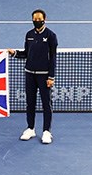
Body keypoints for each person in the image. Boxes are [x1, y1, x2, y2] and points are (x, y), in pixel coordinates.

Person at [7, 8, 58, 144]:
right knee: (30, 103)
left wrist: (51, 77)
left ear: (44, 19)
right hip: (29, 74)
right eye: (34, 19)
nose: (37, 22)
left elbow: (53, 57)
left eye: (39, 19)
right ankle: (30, 128)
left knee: (46, 104)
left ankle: (47, 132)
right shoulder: (29, 34)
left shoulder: (51, 36)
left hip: (44, 76)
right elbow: (26, 53)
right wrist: (14, 53)